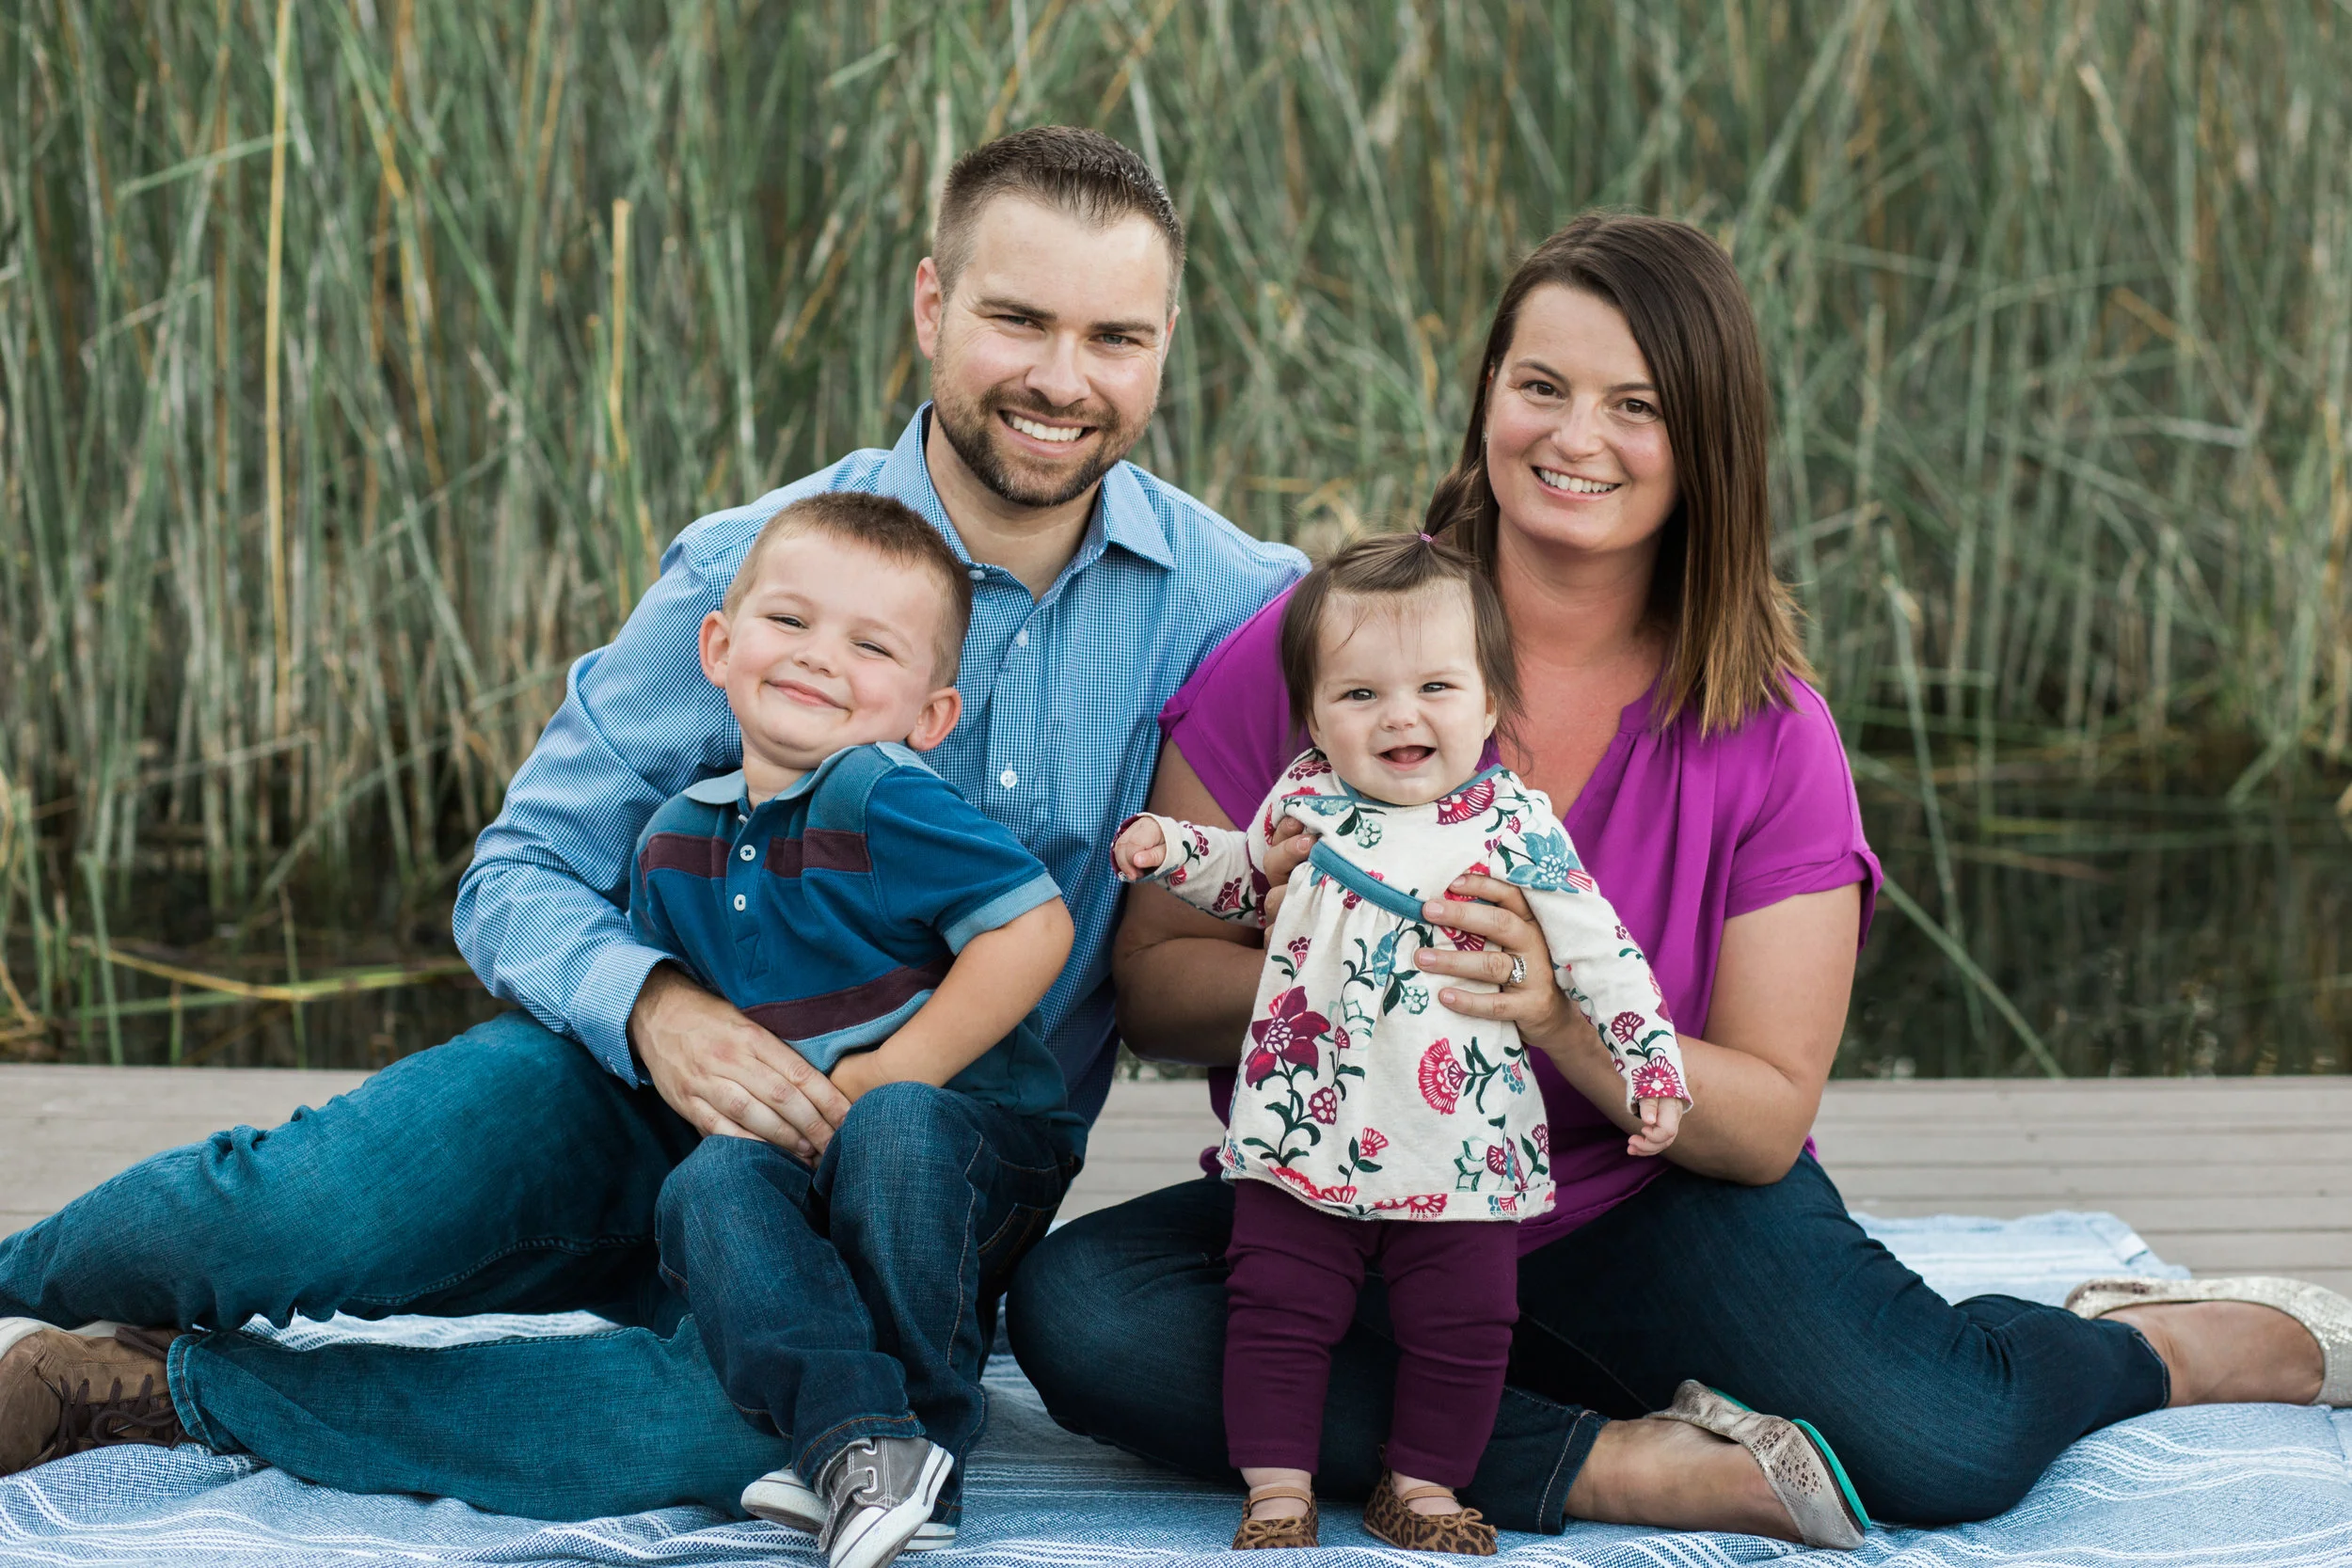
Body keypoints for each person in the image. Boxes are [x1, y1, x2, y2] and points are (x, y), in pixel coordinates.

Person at [0, 125, 1303, 1524]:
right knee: (301, 1207)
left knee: (740, 1424)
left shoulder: (1241, 609)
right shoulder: (755, 571)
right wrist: (659, 1012)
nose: (1062, 377)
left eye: (1114, 336)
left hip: (913, 1174)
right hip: (628, 1089)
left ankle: (163, 1389)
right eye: (1018, 319)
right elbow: (520, 869)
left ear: (1166, 343)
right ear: (932, 305)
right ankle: (23, 1275)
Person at [1008, 211, 2344, 1546]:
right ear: (1487, 395)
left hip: (1647, 1207)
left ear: (1705, 439)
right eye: (1541, 385)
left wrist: (1553, 1014)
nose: (1574, 438)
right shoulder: (1330, 644)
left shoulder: (1770, 731)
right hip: (1352, 1190)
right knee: (1086, 1312)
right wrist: (1338, 967)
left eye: (1634, 405)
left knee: (1949, 1437)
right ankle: (1607, 1460)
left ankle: (2143, 1343)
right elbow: (1157, 983)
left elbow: (1761, 1116)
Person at [1109, 532, 1692, 1554]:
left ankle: (1422, 1483)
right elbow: (1248, 878)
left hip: (1456, 1135)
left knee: (1465, 1323)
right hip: (1308, 1121)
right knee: (1275, 1307)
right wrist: (1176, 851)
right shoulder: (1304, 796)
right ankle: (1277, 1488)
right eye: (1360, 694)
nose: (1400, 715)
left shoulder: (1513, 825)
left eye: (1435, 686)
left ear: (1489, 702)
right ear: (1314, 716)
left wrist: (1648, 1058)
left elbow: (1599, 951)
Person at [633, 491, 1080, 1568]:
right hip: (818, 1158)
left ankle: (928, 1440)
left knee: (893, 1126)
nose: (819, 655)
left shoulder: (879, 792)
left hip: (975, 1149)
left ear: (930, 714)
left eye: (870, 645)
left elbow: (1033, 926)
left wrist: (891, 1068)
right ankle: (857, 1438)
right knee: (707, 1181)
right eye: (789, 620)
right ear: (718, 644)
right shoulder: (674, 842)